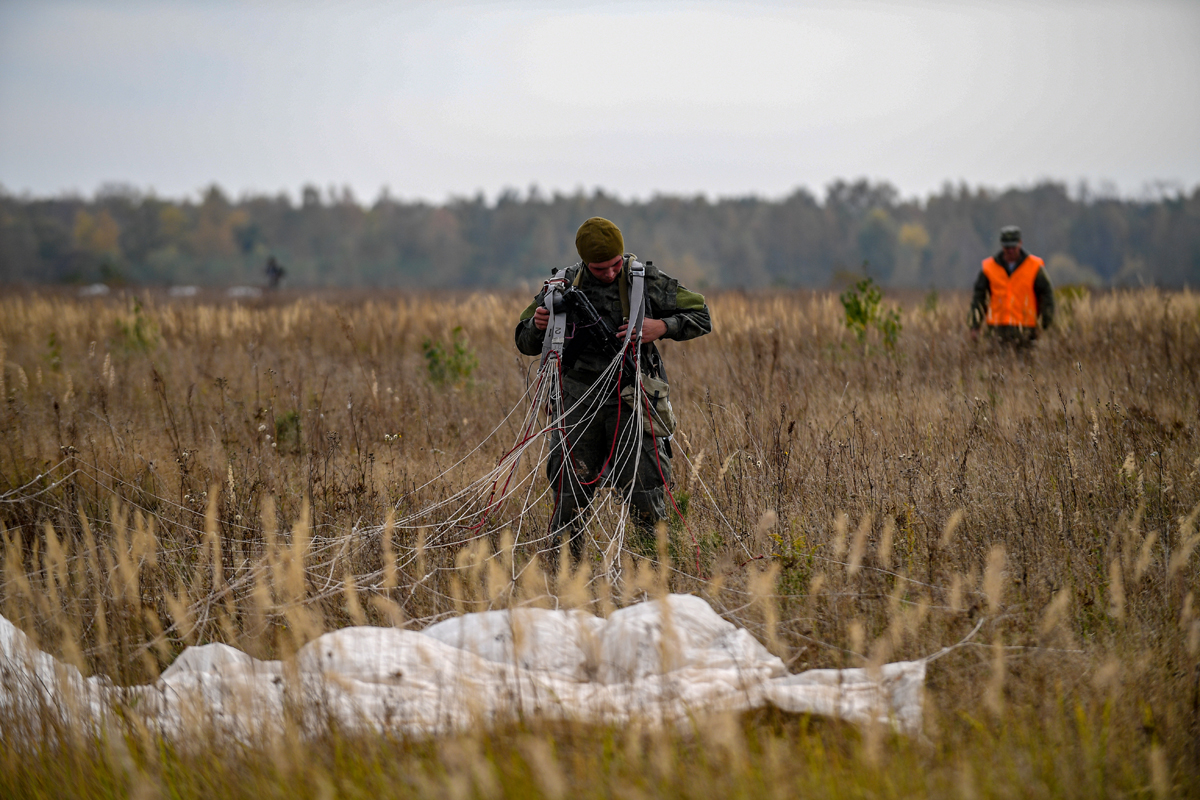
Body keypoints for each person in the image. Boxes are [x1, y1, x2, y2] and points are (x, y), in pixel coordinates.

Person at [514, 217, 712, 561]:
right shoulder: (560, 287)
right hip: (578, 405)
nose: (608, 273)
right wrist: (537, 325)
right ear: (585, 263)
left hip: (631, 399)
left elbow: (702, 315)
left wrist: (661, 326)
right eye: (599, 268)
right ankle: (565, 577)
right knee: (569, 492)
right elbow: (524, 340)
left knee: (646, 490)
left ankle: (658, 572)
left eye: (614, 265)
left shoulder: (642, 281)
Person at [969, 226, 1055, 346]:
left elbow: (1047, 295)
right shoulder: (989, 267)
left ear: (1020, 243)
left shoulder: (1034, 267)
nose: (1010, 250)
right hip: (996, 330)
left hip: (1026, 331)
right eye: (1006, 247)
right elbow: (979, 298)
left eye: (1013, 246)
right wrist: (975, 325)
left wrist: (1045, 323)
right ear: (1001, 245)